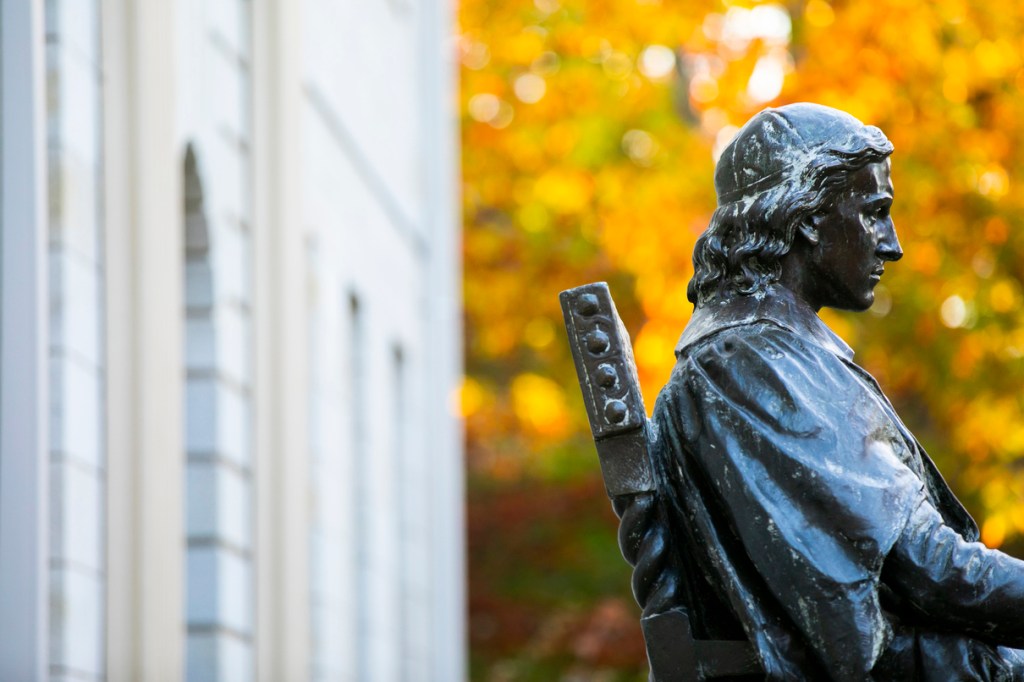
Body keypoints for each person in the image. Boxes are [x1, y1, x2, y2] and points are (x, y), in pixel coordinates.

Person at [649, 103, 1024, 680]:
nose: (892, 245)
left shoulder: (777, 356)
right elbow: (927, 572)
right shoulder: (747, 365)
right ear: (807, 219)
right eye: (875, 213)